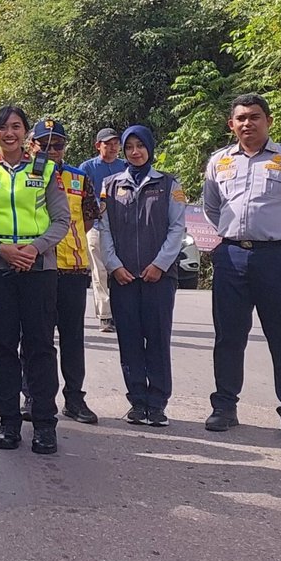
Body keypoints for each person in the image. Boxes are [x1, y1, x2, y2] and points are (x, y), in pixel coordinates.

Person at [202, 94, 281, 443]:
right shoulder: (219, 163)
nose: (247, 124)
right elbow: (211, 207)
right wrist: (235, 236)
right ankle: (224, 406)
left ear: (268, 121)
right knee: (228, 338)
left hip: (276, 260)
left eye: (255, 117)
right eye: (240, 118)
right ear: (231, 124)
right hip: (232, 257)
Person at [0, 106, 69, 455]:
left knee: (40, 347)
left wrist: (33, 250)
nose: (10, 133)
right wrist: (1, 249)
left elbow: (60, 220)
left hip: (39, 269)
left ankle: (44, 424)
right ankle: (8, 422)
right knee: (3, 347)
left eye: (16, 127)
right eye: (2, 127)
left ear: (25, 133)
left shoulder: (47, 169)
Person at [98, 126, 186, 427]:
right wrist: (114, 265)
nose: (135, 152)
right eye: (129, 147)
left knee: (158, 338)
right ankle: (137, 401)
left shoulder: (169, 184)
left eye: (141, 146)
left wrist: (160, 264)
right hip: (123, 277)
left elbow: (177, 228)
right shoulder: (110, 185)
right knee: (130, 339)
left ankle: (158, 403)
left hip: (158, 277)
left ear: (150, 148)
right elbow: (104, 228)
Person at [30, 121, 100, 425]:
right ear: (30, 144)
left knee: (72, 338)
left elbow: (87, 219)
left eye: (57, 145)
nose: (50, 150)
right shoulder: (24, 174)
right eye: (43, 144)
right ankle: (31, 395)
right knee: (35, 338)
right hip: (35, 267)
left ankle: (74, 397)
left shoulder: (79, 178)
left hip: (71, 268)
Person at [80, 128, 128, 334]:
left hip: (121, 227)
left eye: (116, 143)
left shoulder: (125, 166)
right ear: (98, 145)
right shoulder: (87, 167)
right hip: (96, 225)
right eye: (108, 143)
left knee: (119, 269)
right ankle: (105, 316)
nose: (113, 147)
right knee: (99, 270)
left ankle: (122, 312)